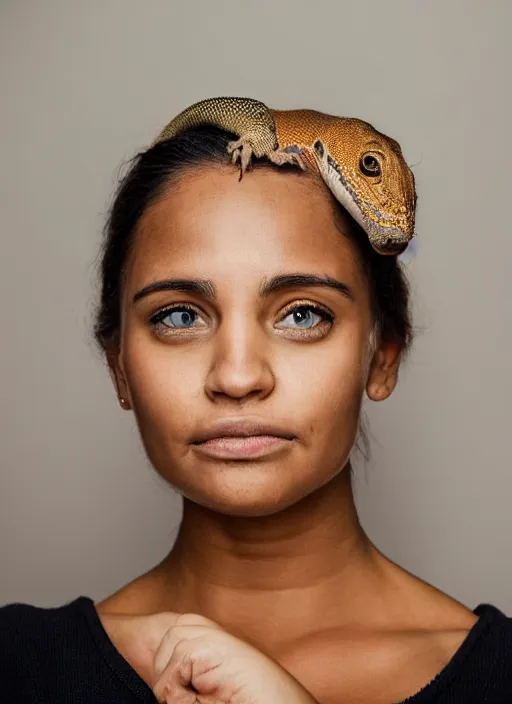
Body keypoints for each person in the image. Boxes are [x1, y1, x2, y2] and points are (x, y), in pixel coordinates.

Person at [1, 119, 512, 704]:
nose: (238, 377)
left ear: (382, 358)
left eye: (301, 315)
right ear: (120, 367)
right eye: (179, 316)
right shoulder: (17, 668)